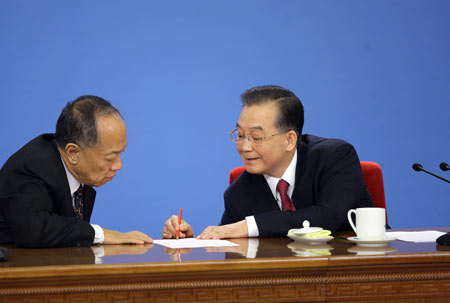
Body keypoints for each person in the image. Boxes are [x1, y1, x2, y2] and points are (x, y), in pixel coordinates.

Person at [162, 85, 374, 239]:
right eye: (240, 134)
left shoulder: (335, 157)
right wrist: (188, 239)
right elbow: (225, 239)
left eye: (256, 137)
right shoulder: (238, 193)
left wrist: (250, 225)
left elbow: (328, 216)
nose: (245, 147)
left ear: (289, 139)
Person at [0, 95, 153, 247]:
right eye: (109, 158)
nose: (118, 165)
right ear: (73, 152)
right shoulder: (31, 167)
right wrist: (99, 234)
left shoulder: (78, 171)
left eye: (121, 153)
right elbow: (35, 230)